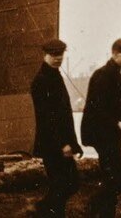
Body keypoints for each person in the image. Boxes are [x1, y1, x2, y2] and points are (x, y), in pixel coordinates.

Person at [81, 38, 121, 217]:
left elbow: (114, 110)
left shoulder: (114, 74)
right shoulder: (104, 75)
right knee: (117, 178)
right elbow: (98, 109)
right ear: (115, 54)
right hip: (101, 135)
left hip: (109, 134)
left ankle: (102, 211)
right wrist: (118, 124)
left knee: (115, 178)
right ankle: (93, 206)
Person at [29, 38, 82, 217]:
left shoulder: (54, 75)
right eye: (54, 54)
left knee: (69, 183)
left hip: (60, 143)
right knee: (64, 184)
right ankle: (42, 210)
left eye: (61, 54)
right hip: (52, 144)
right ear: (45, 55)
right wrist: (62, 144)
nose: (58, 57)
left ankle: (41, 210)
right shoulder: (41, 81)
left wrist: (73, 144)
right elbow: (47, 119)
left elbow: (64, 116)